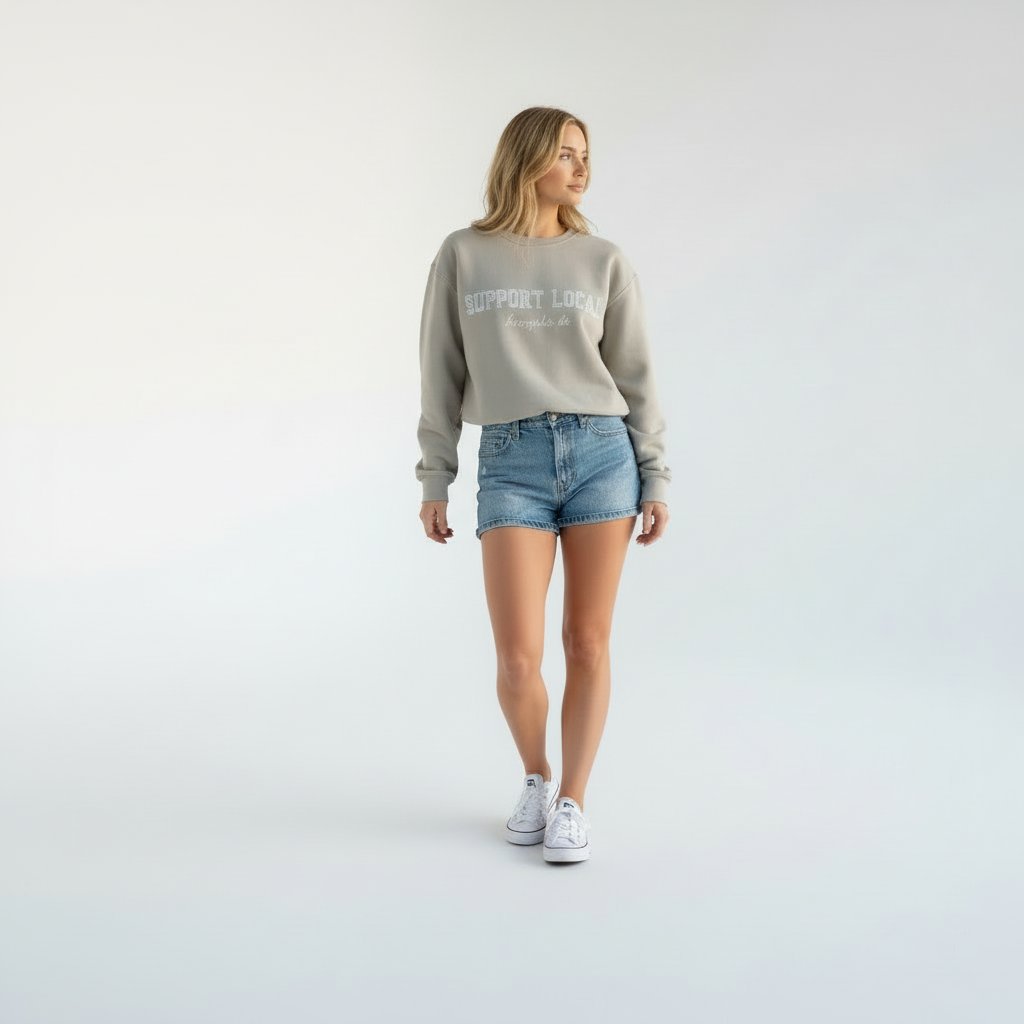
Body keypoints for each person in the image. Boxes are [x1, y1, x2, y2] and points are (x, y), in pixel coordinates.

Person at [415, 106, 670, 863]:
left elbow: (636, 376)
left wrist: (655, 474)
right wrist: (435, 476)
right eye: (564, 153)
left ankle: (573, 802)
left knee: (587, 642)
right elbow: (439, 373)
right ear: (525, 159)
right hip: (510, 458)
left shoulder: (603, 260)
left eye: (585, 154)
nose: (581, 167)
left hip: (602, 454)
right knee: (517, 658)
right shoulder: (464, 254)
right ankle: (536, 775)